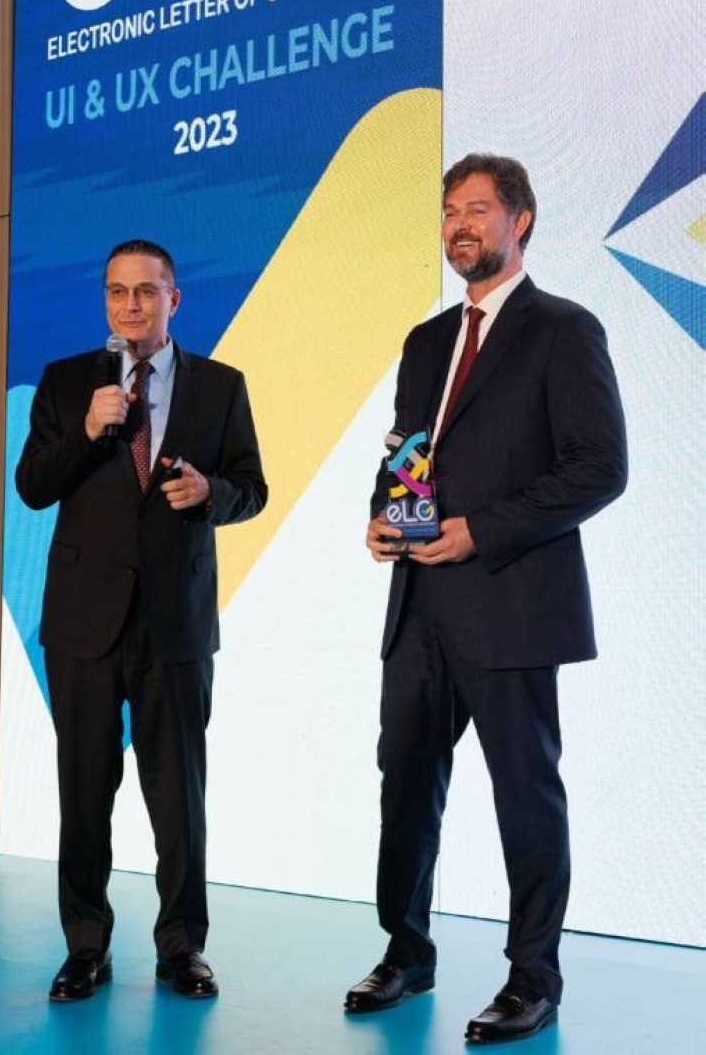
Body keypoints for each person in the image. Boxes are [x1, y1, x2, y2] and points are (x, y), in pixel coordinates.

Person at [345, 155, 627, 1044]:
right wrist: (384, 516)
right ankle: (406, 952)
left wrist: (482, 531)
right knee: (405, 789)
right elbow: (409, 451)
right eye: (449, 211)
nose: (459, 224)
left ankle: (533, 978)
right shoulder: (427, 340)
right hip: (418, 609)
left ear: (521, 220)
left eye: (477, 209)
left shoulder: (564, 330)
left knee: (525, 797)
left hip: (511, 604)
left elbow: (600, 468)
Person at [16, 239, 267, 1002]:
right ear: (105, 300)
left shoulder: (221, 385)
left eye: (147, 291)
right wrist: (86, 432)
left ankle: (182, 948)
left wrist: (213, 494)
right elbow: (33, 486)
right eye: (118, 291)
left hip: (175, 624)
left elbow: (252, 486)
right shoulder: (67, 383)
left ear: (173, 300)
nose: (131, 305)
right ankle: (85, 947)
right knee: (84, 793)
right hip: (83, 625)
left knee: (178, 796)